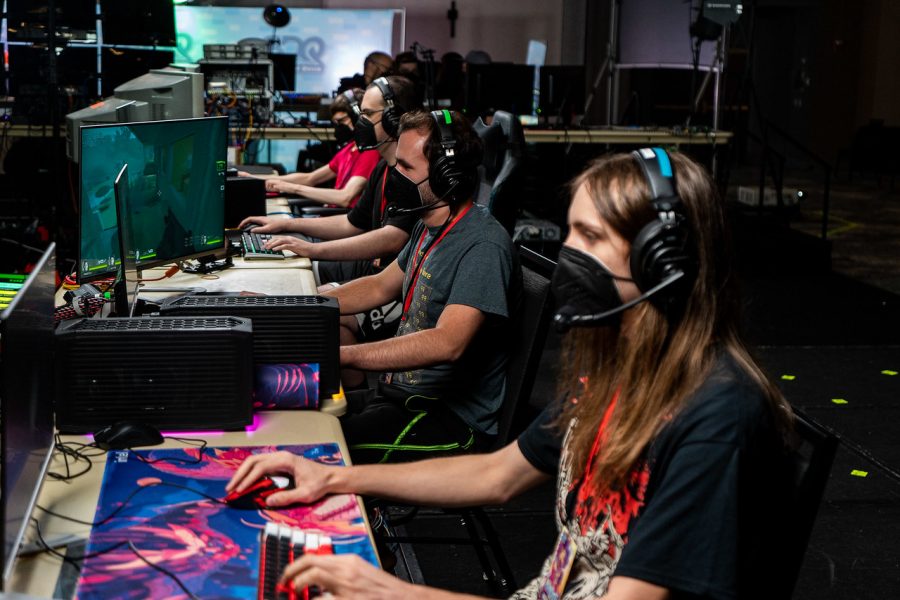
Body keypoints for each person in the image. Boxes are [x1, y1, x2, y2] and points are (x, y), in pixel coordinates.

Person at [227, 148, 795, 599]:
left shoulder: (717, 414)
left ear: (661, 263)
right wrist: (333, 477)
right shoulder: (619, 372)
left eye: (591, 237)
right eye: (570, 230)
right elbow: (499, 475)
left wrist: (392, 592)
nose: (569, 254)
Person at [326, 108, 518, 463]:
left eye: (406, 168)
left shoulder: (483, 247)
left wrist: (342, 356)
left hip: (447, 421)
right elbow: (380, 286)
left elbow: (448, 343)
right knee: (302, 416)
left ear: (447, 177)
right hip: (400, 397)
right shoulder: (428, 224)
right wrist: (300, 302)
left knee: (320, 453)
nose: (394, 176)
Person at [238, 76, 421, 292]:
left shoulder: (412, 174)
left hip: (391, 283)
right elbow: (351, 224)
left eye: (367, 114)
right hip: (372, 269)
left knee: (298, 295)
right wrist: (287, 224)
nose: (359, 123)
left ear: (394, 118)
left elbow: (392, 238)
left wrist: (311, 249)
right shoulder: (382, 169)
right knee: (284, 279)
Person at [239, 89, 379, 208]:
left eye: (341, 121)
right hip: (332, 218)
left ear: (358, 118)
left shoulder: (369, 153)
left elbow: (345, 197)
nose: (338, 127)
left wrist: (293, 188)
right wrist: (254, 178)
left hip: (343, 223)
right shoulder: (349, 149)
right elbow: (310, 178)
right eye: (335, 123)